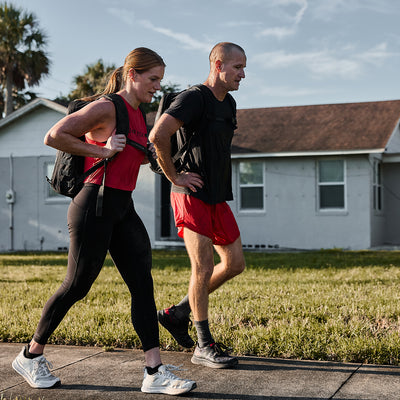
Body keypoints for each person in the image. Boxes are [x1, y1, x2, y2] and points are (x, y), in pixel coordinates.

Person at [12, 47, 196, 396]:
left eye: (160, 79)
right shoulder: (107, 107)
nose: (157, 86)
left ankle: (153, 371)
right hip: (93, 205)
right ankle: (30, 355)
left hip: (122, 206)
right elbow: (54, 135)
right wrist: (102, 150)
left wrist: (172, 172)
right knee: (77, 286)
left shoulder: (139, 115)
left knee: (142, 283)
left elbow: (135, 157)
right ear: (133, 74)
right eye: (152, 78)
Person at [149, 42, 247, 369]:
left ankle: (178, 313)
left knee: (234, 263)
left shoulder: (229, 103)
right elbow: (158, 135)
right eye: (237, 67)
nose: (243, 74)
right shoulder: (193, 98)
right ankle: (204, 345)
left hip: (217, 195)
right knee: (202, 268)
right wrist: (175, 177)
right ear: (218, 65)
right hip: (190, 196)